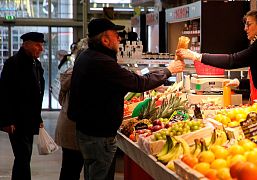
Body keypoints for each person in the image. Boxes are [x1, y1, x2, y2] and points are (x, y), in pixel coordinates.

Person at [67, 18, 185, 180]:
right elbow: (139, 83)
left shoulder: (87, 56)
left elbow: (102, 88)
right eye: (116, 35)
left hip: (87, 131)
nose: (120, 38)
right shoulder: (102, 62)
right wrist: (168, 70)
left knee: (93, 173)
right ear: (105, 39)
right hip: (99, 135)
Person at [176, 9, 257, 103]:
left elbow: (232, 60)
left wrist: (197, 56)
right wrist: (239, 82)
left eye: (249, 24)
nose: (245, 28)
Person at [0, 32, 45, 180]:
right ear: (26, 45)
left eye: (42, 45)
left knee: (24, 157)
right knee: (22, 157)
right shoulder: (13, 64)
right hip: (17, 120)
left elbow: (37, 93)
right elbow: (4, 93)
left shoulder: (36, 64)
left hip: (30, 119)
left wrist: (38, 117)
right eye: (38, 45)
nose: (41, 49)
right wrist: (7, 120)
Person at [54, 38, 88, 180]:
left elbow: (62, 99)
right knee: (72, 168)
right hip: (75, 129)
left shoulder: (71, 73)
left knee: (69, 168)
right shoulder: (82, 75)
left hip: (68, 126)